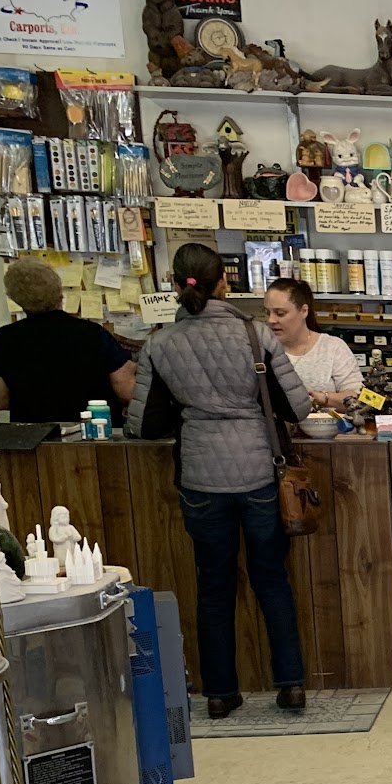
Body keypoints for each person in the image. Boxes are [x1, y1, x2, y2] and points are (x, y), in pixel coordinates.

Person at [127, 243, 311, 719]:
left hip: (201, 478)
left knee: (213, 586)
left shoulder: (160, 344)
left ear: (174, 284)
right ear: (224, 282)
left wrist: (192, 410)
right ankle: (291, 685)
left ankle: (220, 693)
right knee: (272, 580)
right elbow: (296, 407)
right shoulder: (256, 335)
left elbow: (144, 424)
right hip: (258, 472)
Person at [0, 255, 136, 425]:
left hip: (34, 435)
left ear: (15, 297)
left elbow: (0, 400)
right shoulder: (93, 334)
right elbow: (126, 390)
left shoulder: (4, 338)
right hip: (93, 432)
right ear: (59, 292)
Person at [263, 277, 362, 410]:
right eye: (267, 312)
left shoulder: (333, 348)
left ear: (304, 311)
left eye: (280, 313)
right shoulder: (260, 350)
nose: (271, 320)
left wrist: (324, 398)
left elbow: (359, 397)